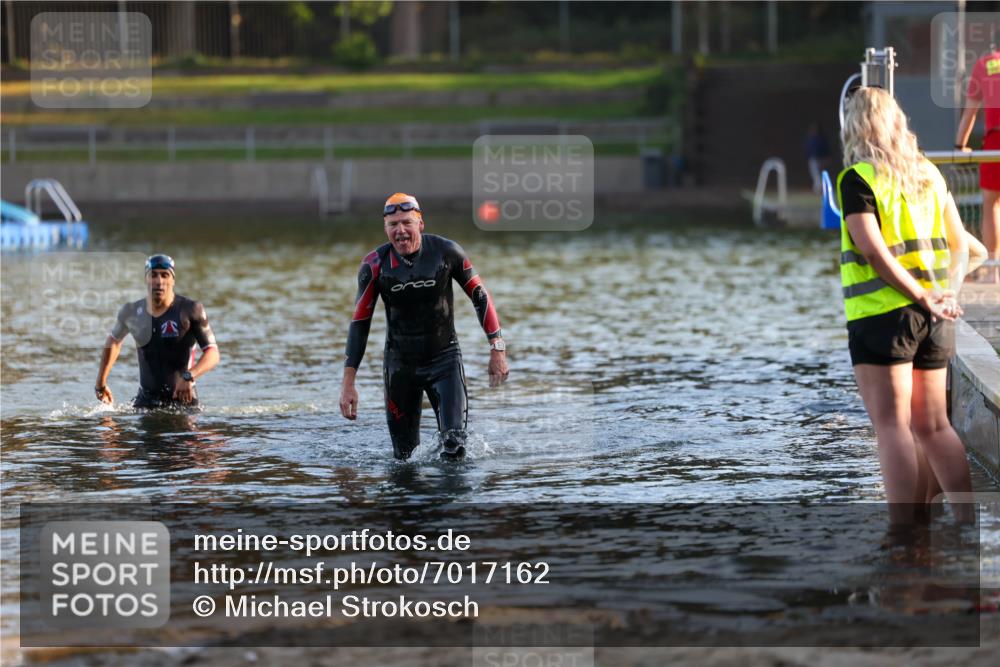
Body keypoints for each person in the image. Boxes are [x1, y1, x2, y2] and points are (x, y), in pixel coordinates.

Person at [838, 87, 972, 522]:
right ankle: (969, 524)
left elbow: (873, 251)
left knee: (892, 426)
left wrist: (920, 294)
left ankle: (903, 535)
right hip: (934, 317)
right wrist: (944, 293)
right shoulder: (928, 173)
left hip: (883, 317)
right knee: (934, 426)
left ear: (855, 127)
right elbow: (962, 244)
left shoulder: (858, 178)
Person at [338, 193, 509, 461]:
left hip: (445, 361)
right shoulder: (374, 265)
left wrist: (497, 348)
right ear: (385, 228)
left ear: (420, 223)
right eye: (393, 225)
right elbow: (360, 323)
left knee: (455, 447)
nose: (400, 231)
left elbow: (480, 296)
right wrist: (348, 383)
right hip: (399, 368)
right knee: (404, 460)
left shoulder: (446, 252)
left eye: (406, 222)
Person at [95, 254, 220, 409]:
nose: (159, 281)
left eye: (165, 275)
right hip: (144, 402)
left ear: (173, 280)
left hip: (183, 403)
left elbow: (213, 353)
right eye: (153, 275)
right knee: (106, 423)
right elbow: (114, 341)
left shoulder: (190, 310)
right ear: (146, 279)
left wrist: (189, 376)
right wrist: (100, 384)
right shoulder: (131, 312)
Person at [955, 47, 1000, 281]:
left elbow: (970, 112)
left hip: (995, 139)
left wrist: (959, 146)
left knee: (991, 205)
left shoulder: (985, 64)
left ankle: (993, 270)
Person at [805, 122, 831, 194]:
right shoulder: (811, 139)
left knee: (820, 174)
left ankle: (820, 189)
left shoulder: (821, 138)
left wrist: (827, 158)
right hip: (813, 159)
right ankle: (818, 188)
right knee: (815, 174)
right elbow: (808, 149)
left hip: (821, 159)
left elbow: (826, 149)